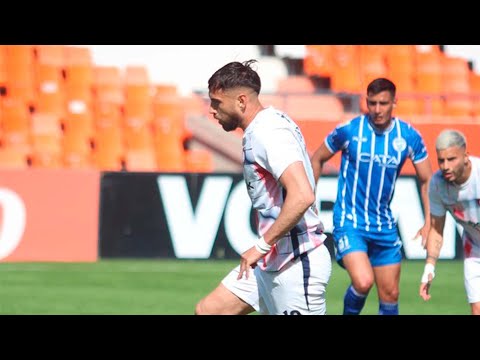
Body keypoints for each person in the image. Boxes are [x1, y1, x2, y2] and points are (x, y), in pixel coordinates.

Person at [195, 59, 332, 315]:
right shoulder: (263, 126)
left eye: (217, 103)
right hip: (272, 260)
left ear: (242, 101)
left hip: (295, 261)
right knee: (209, 311)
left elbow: (302, 195)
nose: (212, 110)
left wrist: (261, 246)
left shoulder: (268, 132)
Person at [310, 77, 432, 315]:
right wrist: (310, 201)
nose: (377, 110)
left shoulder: (408, 136)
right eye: (372, 103)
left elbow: (427, 178)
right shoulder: (350, 130)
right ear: (366, 102)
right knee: (363, 281)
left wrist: (429, 221)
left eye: (383, 103)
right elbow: (317, 158)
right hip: (350, 221)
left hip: (384, 225)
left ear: (394, 102)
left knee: (390, 295)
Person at [419, 129, 480, 315]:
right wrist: (430, 267)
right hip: (474, 250)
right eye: (441, 160)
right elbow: (437, 230)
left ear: (465, 157)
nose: (445, 166)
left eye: (451, 159)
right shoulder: (437, 185)